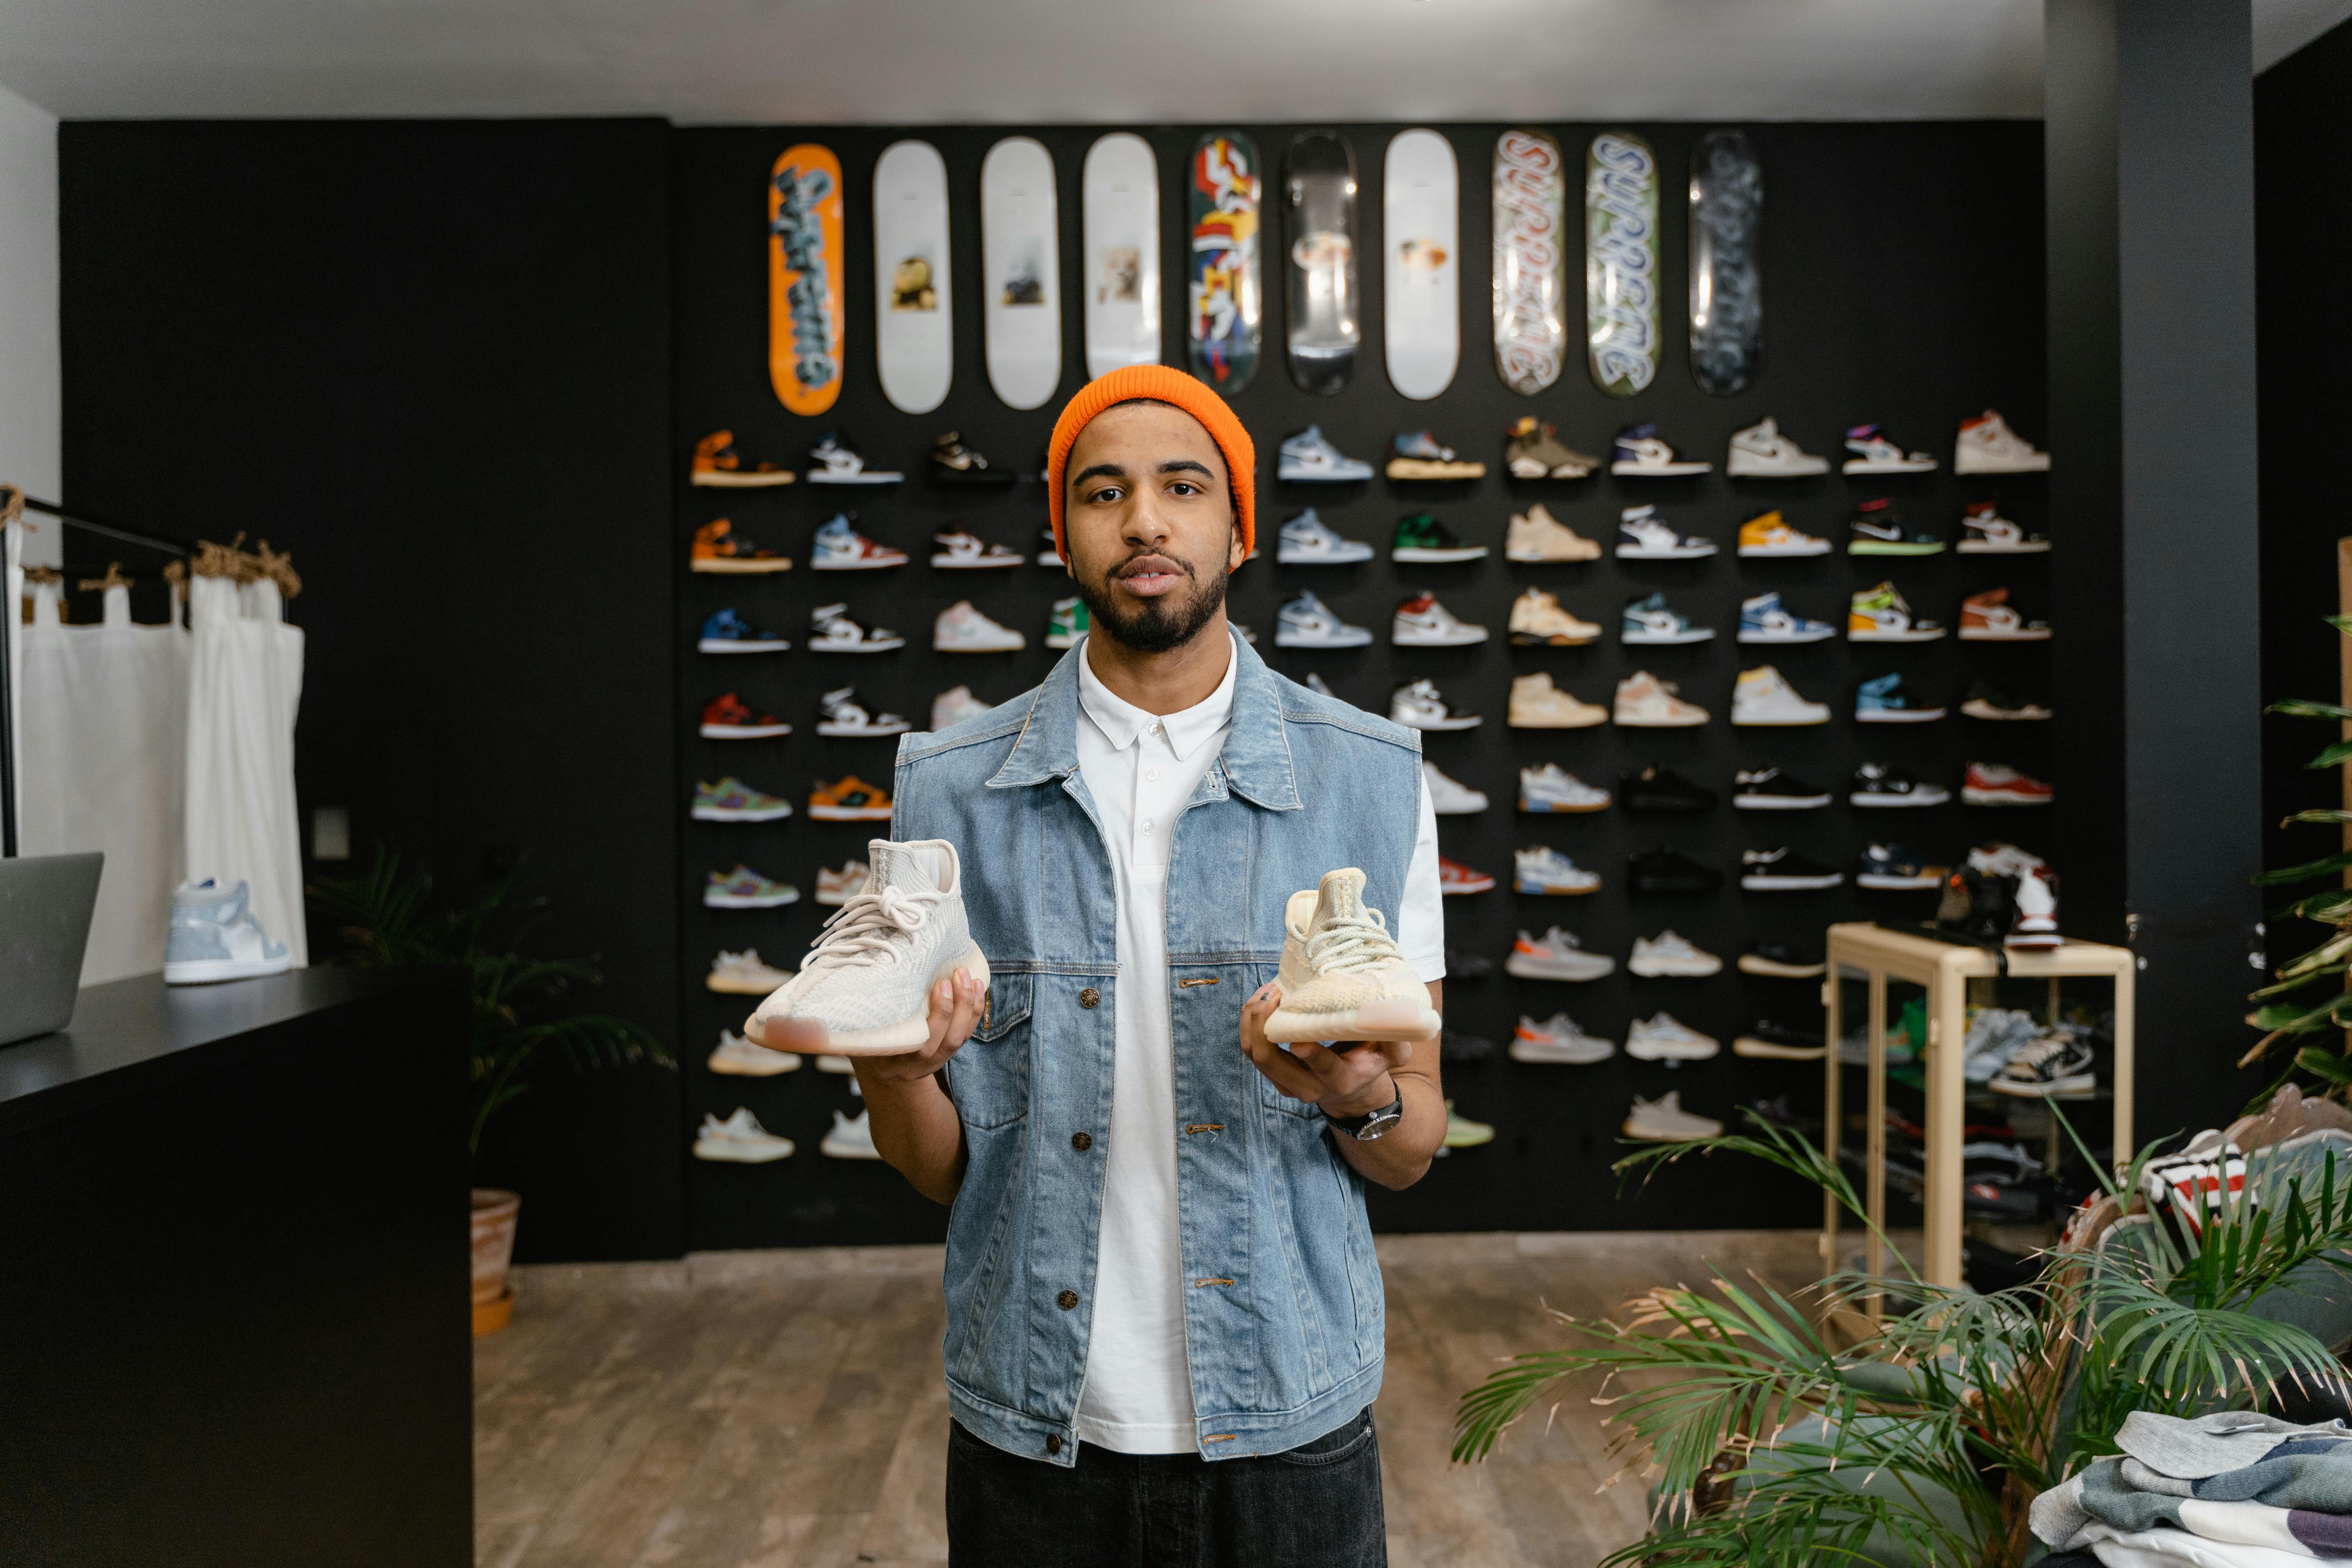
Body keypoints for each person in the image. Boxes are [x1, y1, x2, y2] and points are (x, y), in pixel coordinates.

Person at [855, 365, 1444, 1565]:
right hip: (1035, 1427)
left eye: (1183, 486)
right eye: (1103, 492)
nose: (1145, 522)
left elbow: (1415, 1144)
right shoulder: (948, 787)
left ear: (1241, 523)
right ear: (1061, 534)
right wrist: (896, 1074)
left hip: (1292, 1422)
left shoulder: (1371, 779)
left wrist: (1352, 1097)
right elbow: (937, 1176)